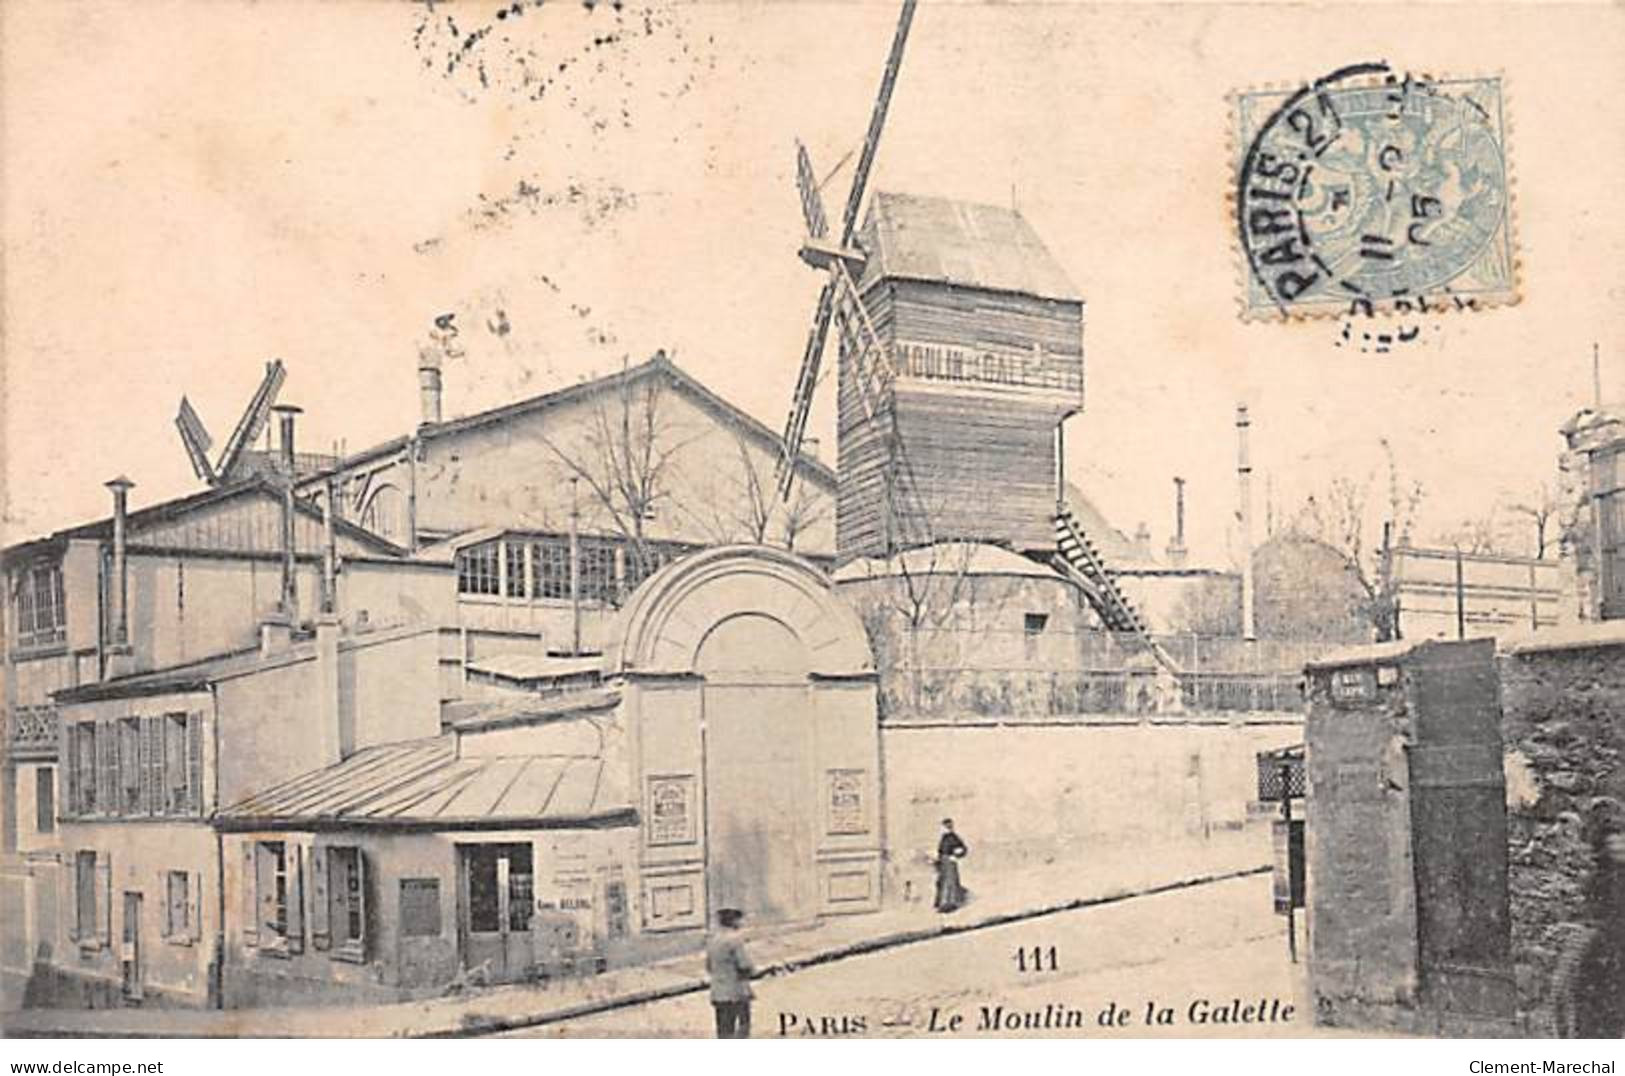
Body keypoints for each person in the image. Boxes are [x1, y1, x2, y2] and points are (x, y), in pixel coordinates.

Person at [706, 906, 755, 1038]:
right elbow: (745, 965)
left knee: (723, 1031)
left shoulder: (712, 940)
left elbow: (709, 967)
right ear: (734, 921)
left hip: (718, 993)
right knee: (742, 1028)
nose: (742, 923)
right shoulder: (735, 940)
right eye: (740, 920)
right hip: (736, 993)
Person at [933, 818, 969, 912]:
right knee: (942, 882)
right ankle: (942, 903)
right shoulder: (944, 838)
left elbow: (963, 849)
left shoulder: (953, 837)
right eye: (945, 826)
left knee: (950, 883)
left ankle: (950, 904)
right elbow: (941, 851)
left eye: (948, 826)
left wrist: (956, 855)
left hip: (950, 862)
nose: (946, 828)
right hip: (943, 862)